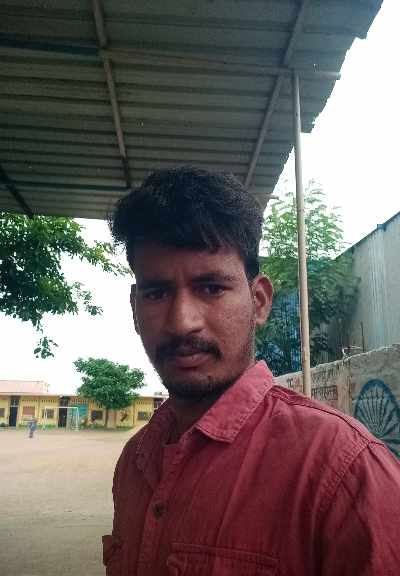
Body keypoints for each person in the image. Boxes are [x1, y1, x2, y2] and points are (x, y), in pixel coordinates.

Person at [103, 166, 400, 575]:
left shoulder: (344, 469)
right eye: (157, 293)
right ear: (135, 309)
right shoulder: (135, 462)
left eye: (211, 288)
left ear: (259, 301)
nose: (182, 322)